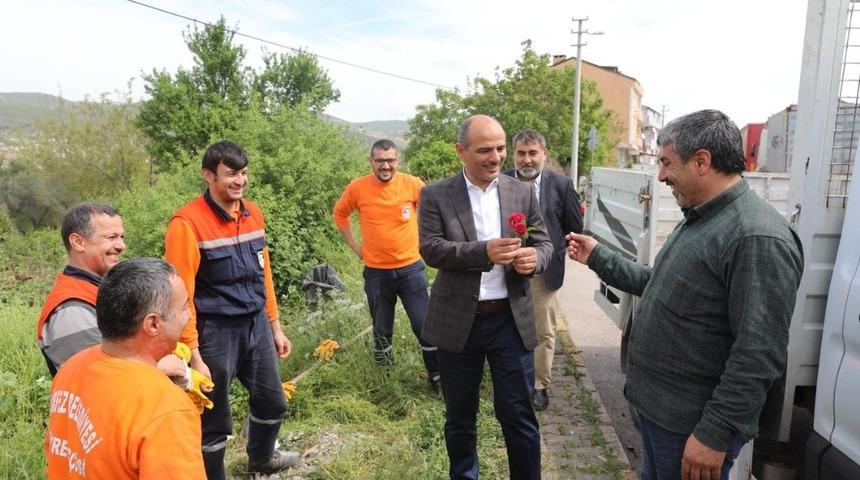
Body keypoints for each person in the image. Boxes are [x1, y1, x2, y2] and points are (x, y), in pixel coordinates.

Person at [566, 110, 803, 480]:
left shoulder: (756, 237)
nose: (660, 176)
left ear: (702, 161)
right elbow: (660, 283)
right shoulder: (701, 216)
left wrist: (715, 433)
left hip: (691, 429)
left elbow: (758, 353)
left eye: (666, 163)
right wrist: (598, 256)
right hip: (661, 417)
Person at [418, 115, 553, 480]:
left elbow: (543, 242)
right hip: (458, 322)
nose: (496, 157)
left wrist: (534, 258)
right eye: (484, 150)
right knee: (460, 417)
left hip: (510, 320)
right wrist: (484, 252)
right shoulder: (436, 194)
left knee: (518, 415)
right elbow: (431, 249)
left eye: (500, 148)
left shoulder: (520, 191)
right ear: (460, 151)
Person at [164, 140, 298, 479]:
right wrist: (194, 355)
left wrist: (275, 327)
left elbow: (264, 275)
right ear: (208, 175)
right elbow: (180, 296)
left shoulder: (253, 213)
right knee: (213, 416)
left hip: (256, 324)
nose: (240, 181)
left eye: (244, 173)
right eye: (231, 175)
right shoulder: (187, 223)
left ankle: (262, 460)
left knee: (273, 401)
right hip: (214, 332)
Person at [45, 257, 204, 479]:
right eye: (184, 307)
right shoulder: (165, 408)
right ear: (153, 324)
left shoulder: (71, 369)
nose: (188, 316)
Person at [333, 139, 440, 390]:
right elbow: (340, 214)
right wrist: (356, 247)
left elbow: (432, 213)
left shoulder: (413, 184)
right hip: (376, 272)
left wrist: (426, 242)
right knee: (381, 329)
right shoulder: (358, 187)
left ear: (397, 160)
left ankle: (437, 376)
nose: (385, 166)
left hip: (411, 269)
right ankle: (385, 379)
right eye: (380, 161)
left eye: (390, 160)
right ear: (370, 161)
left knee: (424, 326)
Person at [505, 129, 582, 411]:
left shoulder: (561, 185)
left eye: (532, 153)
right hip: (507, 269)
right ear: (513, 155)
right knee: (508, 326)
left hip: (545, 272)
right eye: (521, 153)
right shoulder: (501, 182)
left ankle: (539, 384)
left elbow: (573, 227)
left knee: (544, 330)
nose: (526, 159)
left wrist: (553, 252)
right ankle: (512, 378)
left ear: (544, 154)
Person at [36, 203, 126, 376]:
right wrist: (158, 367)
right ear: (78, 242)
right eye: (111, 237)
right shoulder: (72, 309)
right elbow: (97, 377)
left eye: (122, 237)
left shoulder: (98, 289)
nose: (122, 245)